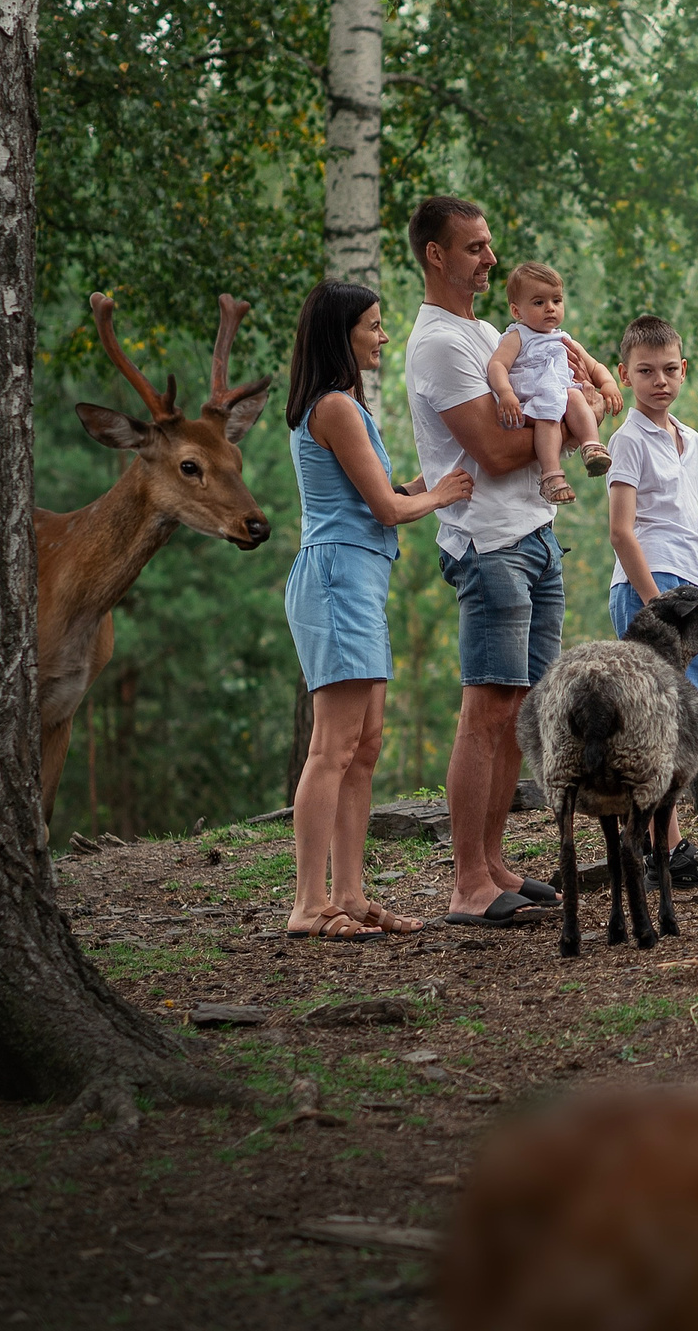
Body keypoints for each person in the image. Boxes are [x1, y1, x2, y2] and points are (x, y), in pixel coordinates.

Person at [401, 196, 616, 926]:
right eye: (475, 248)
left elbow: (537, 400)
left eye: (489, 246)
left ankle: (493, 864)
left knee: (518, 705)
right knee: (486, 708)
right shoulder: (440, 344)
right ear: (436, 255)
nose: (490, 258)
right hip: (488, 542)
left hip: (535, 533)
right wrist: (570, 424)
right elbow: (493, 452)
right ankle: (466, 885)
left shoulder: (490, 329)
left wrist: (575, 405)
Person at [282, 280, 473, 940]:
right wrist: (444, 493)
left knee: (363, 748)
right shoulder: (332, 406)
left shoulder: (347, 408)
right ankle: (309, 904)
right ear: (342, 333)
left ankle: (351, 894)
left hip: (360, 580)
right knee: (331, 748)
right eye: (372, 324)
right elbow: (388, 510)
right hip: (335, 578)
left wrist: (442, 472)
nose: (383, 335)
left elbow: (388, 491)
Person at [605, 313, 698, 889]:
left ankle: (651, 840)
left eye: (668, 369)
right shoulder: (627, 439)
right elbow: (621, 530)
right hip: (652, 589)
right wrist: (657, 605)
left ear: (683, 370)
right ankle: (665, 849)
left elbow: (692, 518)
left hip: (691, 592)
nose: (659, 380)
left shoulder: (693, 441)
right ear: (624, 375)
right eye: (645, 371)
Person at [485, 260, 611, 507]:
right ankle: (551, 475)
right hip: (534, 400)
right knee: (548, 416)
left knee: (575, 397)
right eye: (539, 302)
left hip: (561, 397)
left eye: (556, 300)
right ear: (517, 311)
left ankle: (591, 447)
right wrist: (506, 393)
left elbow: (594, 366)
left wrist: (608, 385)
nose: (550, 308)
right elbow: (497, 365)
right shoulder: (517, 336)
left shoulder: (564, 338)